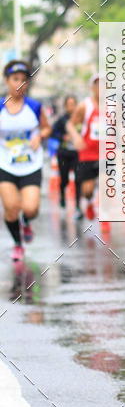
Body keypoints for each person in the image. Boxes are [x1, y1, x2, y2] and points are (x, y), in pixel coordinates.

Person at [0, 60, 51, 260]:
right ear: (7, 81)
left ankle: (27, 222)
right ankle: (18, 244)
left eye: (23, 80)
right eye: (15, 79)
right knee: (11, 208)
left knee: (30, 209)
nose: (19, 84)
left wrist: (40, 136)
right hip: (5, 165)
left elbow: (46, 128)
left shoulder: (34, 106)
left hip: (31, 165)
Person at [67, 74, 100, 221]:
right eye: (97, 85)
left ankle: (105, 219)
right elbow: (70, 124)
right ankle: (90, 201)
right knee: (87, 190)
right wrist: (76, 137)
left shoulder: (113, 106)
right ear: (92, 88)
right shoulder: (84, 106)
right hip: (88, 153)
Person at [50, 95, 80, 209]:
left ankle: (78, 205)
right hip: (64, 153)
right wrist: (63, 137)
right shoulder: (62, 120)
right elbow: (52, 132)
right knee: (64, 179)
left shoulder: (81, 119)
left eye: (73, 104)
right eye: (69, 105)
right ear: (65, 106)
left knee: (78, 179)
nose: (71, 107)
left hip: (77, 153)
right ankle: (62, 195)